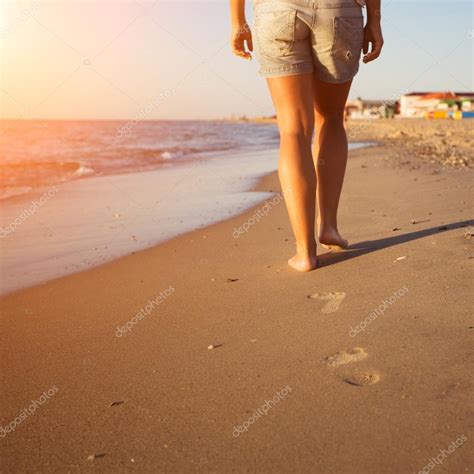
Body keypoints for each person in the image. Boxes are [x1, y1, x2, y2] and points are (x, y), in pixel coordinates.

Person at [230, 0, 383, 271]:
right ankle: (329, 227)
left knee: (293, 129)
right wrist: (374, 20)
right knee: (332, 117)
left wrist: (237, 21)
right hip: (338, 9)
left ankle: (305, 253)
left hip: (276, 9)